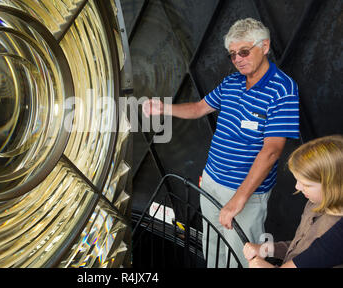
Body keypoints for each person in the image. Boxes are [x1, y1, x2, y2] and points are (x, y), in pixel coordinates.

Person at [142, 18, 300, 267]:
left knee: (241, 257)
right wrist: (164, 108)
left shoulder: (283, 89)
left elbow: (271, 151)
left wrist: (238, 200)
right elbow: (198, 108)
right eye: (233, 54)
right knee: (213, 249)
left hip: (245, 193)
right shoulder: (231, 83)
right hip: (212, 183)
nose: (238, 59)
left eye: (244, 52)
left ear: (265, 46)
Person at [243, 134, 343, 268]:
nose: (297, 187)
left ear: (333, 185)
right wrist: (267, 249)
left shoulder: (336, 231)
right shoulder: (313, 202)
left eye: (306, 184)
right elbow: (299, 248)